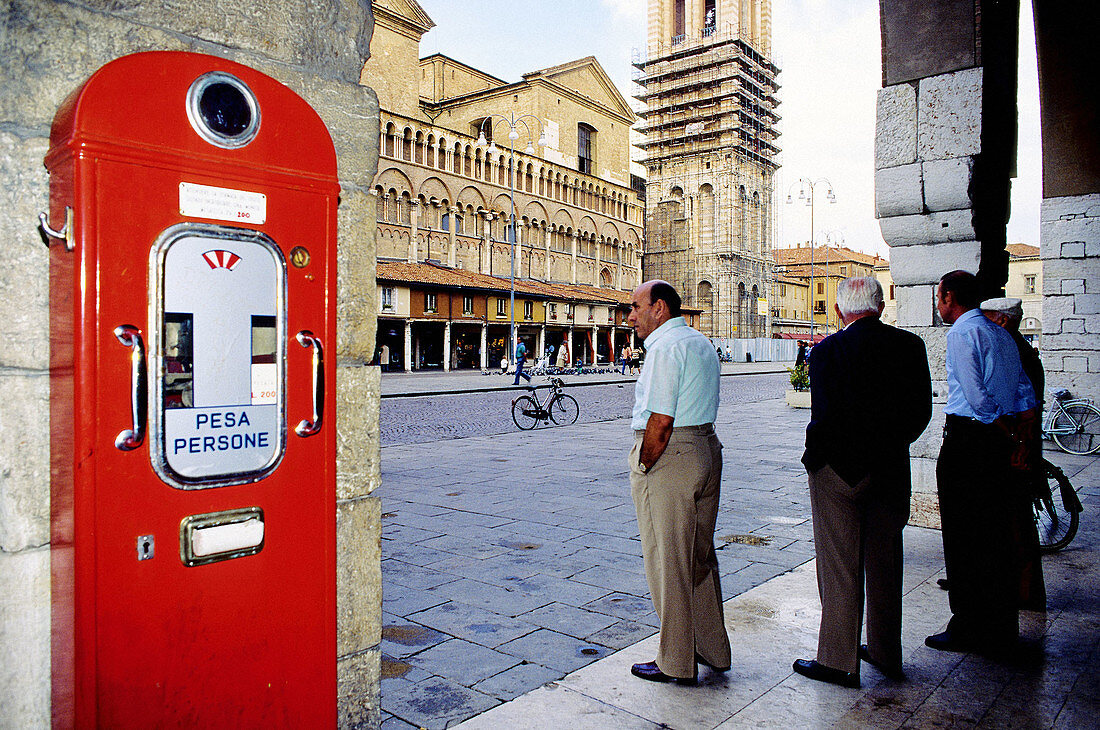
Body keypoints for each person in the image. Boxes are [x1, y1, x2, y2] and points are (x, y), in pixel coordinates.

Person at [792, 277, 932, 689]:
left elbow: (825, 415)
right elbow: (920, 412)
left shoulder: (828, 351)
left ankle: (839, 660)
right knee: (885, 562)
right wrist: (888, 444)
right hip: (889, 469)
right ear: (881, 307)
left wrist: (825, 460)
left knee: (839, 565)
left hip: (838, 472)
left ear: (840, 311)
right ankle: (886, 651)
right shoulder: (910, 346)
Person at [927, 271, 1038, 656]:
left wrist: (1004, 428)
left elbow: (975, 395)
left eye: (939, 297)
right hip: (996, 445)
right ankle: (1000, 623)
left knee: (964, 537)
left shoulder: (961, 333)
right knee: (994, 535)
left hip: (971, 441)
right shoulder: (1000, 332)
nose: (938, 304)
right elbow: (1024, 389)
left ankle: (969, 626)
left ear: (951, 297)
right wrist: (1020, 437)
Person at [626, 279, 730, 685]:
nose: (630, 316)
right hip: (706, 446)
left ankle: (675, 660)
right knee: (698, 559)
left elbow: (661, 420)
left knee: (667, 560)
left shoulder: (665, 348)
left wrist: (644, 464)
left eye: (636, 307)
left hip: (672, 456)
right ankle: (713, 648)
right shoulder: (699, 342)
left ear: (660, 308)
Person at [980, 297, 1046, 610]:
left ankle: (1025, 591)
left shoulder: (1012, 350)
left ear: (1003, 321)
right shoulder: (1019, 349)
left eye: (988, 319)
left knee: (1017, 524)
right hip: (1020, 445)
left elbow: (1020, 406)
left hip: (1017, 448)